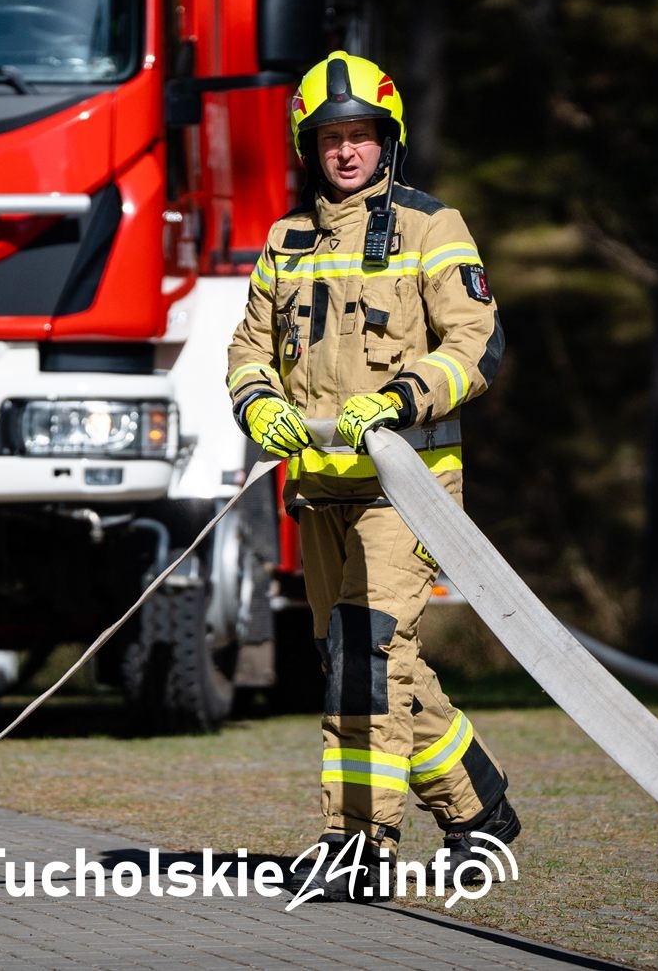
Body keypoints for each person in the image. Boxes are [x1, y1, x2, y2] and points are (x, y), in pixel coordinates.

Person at [225, 50, 518, 900]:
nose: (346, 152)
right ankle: (479, 812)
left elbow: (476, 343)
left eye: (361, 135)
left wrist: (398, 397)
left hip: (410, 486)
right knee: (370, 660)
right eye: (330, 138)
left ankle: (357, 841)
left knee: (368, 654)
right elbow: (248, 349)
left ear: (387, 141)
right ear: (307, 149)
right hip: (319, 487)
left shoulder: (434, 227)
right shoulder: (285, 242)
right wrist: (259, 408)